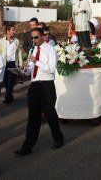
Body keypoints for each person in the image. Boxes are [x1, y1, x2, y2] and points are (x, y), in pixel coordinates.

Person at [15, 28, 64, 156]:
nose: (33, 40)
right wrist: (24, 70)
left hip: (46, 85)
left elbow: (51, 69)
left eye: (36, 37)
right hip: (34, 85)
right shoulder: (33, 49)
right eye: (32, 38)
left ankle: (58, 138)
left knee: (50, 114)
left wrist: (36, 62)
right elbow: (31, 70)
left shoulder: (50, 50)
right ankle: (27, 146)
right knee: (33, 117)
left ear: (42, 37)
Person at [0, 22, 23, 104]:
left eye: (14, 30)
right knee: (5, 82)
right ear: (7, 31)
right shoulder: (1, 41)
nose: (14, 31)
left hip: (13, 63)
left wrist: (21, 62)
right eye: (12, 30)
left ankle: (7, 98)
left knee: (11, 81)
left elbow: (19, 53)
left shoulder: (17, 41)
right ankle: (10, 96)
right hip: (4, 64)